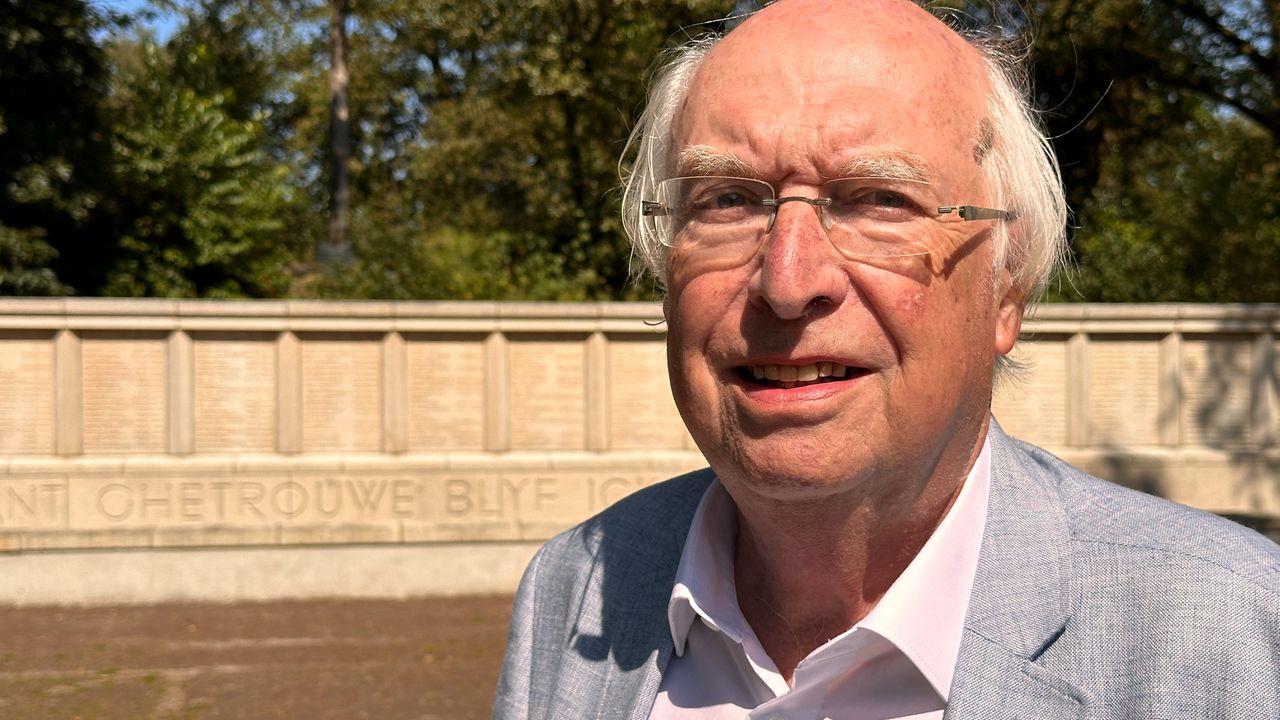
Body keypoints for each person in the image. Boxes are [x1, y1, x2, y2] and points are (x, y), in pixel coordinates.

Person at [493, 0, 1280, 717]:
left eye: (879, 200)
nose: (787, 281)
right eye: (727, 200)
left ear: (1008, 289)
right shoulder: (574, 589)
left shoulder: (1226, 633)